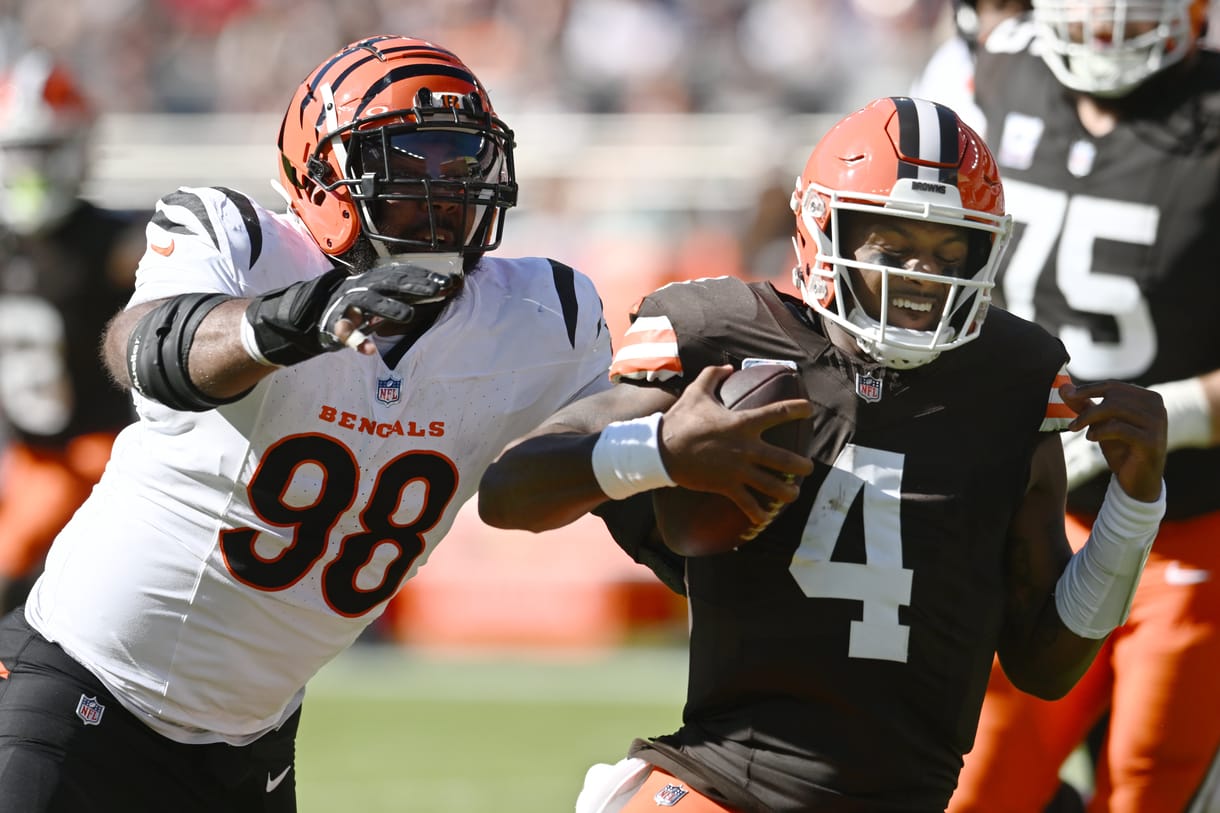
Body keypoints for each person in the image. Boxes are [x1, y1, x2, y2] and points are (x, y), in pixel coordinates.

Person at [477, 95, 1169, 813]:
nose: (919, 277)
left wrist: (1134, 508)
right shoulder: (728, 341)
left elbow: (1046, 664)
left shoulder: (1013, 380)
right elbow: (508, 489)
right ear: (819, 229)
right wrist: (660, 451)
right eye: (892, 246)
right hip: (721, 783)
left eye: (946, 251)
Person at [0, 34, 623, 812]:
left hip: (252, 738)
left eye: (461, 158)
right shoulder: (244, 244)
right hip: (81, 682)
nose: (444, 189)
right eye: (410, 159)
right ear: (324, 175)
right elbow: (145, 348)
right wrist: (286, 324)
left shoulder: (539, 317)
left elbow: (602, 464)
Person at [909, 2, 1220, 811]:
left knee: (1155, 789)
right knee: (971, 786)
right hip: (1033, 510)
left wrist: (1174, 413)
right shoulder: (998, 70)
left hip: (1193, 530)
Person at [0, 48, 143, 614]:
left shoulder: (114, 245)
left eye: (45, 149)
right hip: (29, 459)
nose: (33, 167)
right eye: (20, 151)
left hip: (104, 452)